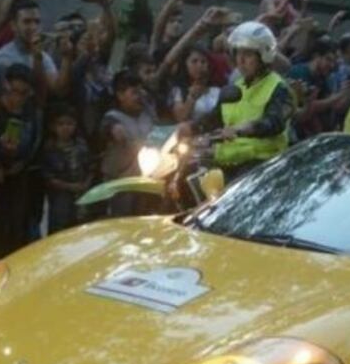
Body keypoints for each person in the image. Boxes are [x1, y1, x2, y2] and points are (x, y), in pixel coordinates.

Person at [179, 21, 294, 180]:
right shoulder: (235, 87)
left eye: (248, 54)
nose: (240, 60)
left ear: (264, 56)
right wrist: (190, 128)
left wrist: (244, 128)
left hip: (262, 166)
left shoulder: (279, 88)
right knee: (188, 176)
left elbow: (274, 123)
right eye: (238, 54)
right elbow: (215, 118)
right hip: (230, 158)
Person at [0, 63, 39, 260]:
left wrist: (23, 163)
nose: (17, 98)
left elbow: (35, 142)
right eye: (13, 91)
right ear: (5, 85)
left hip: (20, 176)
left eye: (23, 93)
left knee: (17, 228)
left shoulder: (30, 112)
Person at [99, 69, 156, 216]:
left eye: (141, 91)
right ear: (120, 95)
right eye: (134, 92)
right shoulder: (112, 118)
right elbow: (105, 128)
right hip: (121, 182)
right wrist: (114, 129)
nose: (140, 96)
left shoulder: (148, 114)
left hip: (146, 179)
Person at [41, 105, 90, 233]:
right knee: (59, 228)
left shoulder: (81, 145)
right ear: (53, 127)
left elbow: (90, 167)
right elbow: (48, 177)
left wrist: (85, 184)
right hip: (59, 196)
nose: (65, 128)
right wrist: (69, 186)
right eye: (61, 124)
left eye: (69, 124)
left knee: (80, 227)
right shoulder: (49, 148)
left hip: (81, 194)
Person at [169, 46, 220, 122]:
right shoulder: (178, 91)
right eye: (194, 61)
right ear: (185, 65)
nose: (199, 65)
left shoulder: (216, 91)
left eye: (203, 62)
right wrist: (191, 98)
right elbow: (180, 118)